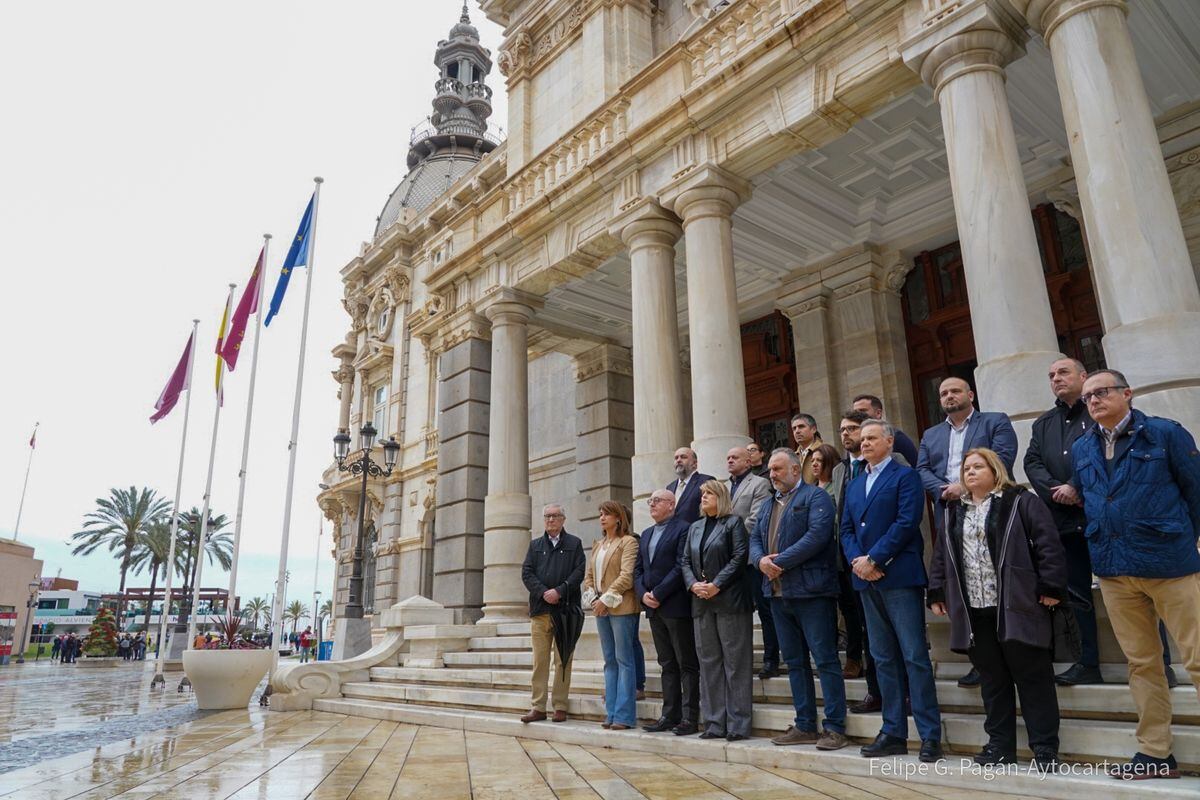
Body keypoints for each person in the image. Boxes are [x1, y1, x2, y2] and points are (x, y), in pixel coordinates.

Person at [1071, 369, 1200, 781]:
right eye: (1087, 396)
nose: (1093, 400)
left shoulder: (1165, 434)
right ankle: (1156, 753)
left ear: (1127, 393)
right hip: (1113, 571)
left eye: (1102, 392)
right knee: (1142, 664)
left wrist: (1191, 541)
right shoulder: (1081, 447)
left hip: (1169, 563)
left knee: (1197, 658)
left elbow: (1195, 491)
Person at [929, 448, 1067, 769]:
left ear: (995, 470)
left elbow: (1048, 543)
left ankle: (1045, 749)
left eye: (978, 466)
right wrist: (937, 591)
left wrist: (1050, 586)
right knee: (992, 682)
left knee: (1033, 679)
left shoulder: (1020, 501)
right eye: (966, 469)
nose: (971, 472)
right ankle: (1000, 747)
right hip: (974, 610)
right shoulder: (953, 511)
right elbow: (941, 557)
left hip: (1018, 606)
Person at [841, 420, 943, 762]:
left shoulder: (905, 477)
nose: (864, 442)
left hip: (897, 574)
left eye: (871, 437)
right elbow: (845, 529)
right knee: (882, 658)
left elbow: (906, 522)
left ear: (889, 441)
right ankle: (893, 731)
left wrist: (875, 557)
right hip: (865, 579)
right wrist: (858, 560)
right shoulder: (855, 484)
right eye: (862, 438)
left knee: (914, 656)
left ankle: (930, 735)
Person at [916, 376, 1017, 688]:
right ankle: (979, 658)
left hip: (992, 511)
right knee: (962, 583)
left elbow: (1002, 457)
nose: (948, 396)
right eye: (943, 392)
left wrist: (966, 485)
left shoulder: (995, 421)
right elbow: (922, 470)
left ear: (970, 394)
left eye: (955, 390)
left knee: (995, 580)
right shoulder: (931, 434)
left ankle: (1012, 652)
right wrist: (946, 491)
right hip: (950, 512)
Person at [751, 448, 848, 750]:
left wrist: (780, 561)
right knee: (794, 661)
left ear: (796, 469)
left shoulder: (816, 498)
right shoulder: (768, 505)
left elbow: (818, 536)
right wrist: (759, 562)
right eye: (770, 469)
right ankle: (805, 724)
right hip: (778, 594)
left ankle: (834, 728)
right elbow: (754, 539)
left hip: (812, 591)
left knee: (826, 660)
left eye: (778, 468)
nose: (772, 474)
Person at [1024, 358, 1104, 686]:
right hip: (1064, 522)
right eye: (1051, 374)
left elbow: (1103, 453)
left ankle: (1159, 662)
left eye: (1063, 372)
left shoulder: (1099, 411)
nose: (1056, 378)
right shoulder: (1044, 423)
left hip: (1101, 516)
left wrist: (1076, 486)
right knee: (1079, 596)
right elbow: (1032, 461)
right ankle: (1088, 663)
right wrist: (1059, 491)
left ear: (1083, 377)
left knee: (1130, 588)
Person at [681, 480, 754, 741]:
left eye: (708, 493)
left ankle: (738, 724)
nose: (703, 497)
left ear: (720, 496)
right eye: (702, 494)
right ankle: (714, 723)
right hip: (701, 602)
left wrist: (716, 585)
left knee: (736, 663)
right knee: (709, 663)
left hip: (730, 601)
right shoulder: (695, 527)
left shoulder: (733, 523)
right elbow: (685, 561)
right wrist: (693, 584)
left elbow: (739, 557)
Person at [635, 490, 699, 735]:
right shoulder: (647, 534)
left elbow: (681, 565)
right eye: (650, 501)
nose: (651, 504)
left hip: (675, 605)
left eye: (657, 501)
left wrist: (658, 593)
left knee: (686, 663)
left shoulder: (683, 528)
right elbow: (638, 569)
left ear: (671, 505)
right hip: (652, 608)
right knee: (667, 663)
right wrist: (643, 594)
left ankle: (689, 717)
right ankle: (668, 715)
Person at [520, 503, 586, 724]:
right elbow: (527, 573)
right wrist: (544, 593)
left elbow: (579, 573)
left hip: (566, 612)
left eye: (555, 516)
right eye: (547, 516)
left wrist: (560, 591)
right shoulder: (535, 545)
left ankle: (560, 705)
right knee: (540, 661)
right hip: (540, 612)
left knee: (563, 660)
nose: (550, 520)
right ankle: (538, 707)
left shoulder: (574, 544)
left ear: (563, 519)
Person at [829, 411, 878, 703]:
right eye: (842, 429)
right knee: (859, 623)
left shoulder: (892, 463)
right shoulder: (839, 471)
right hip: (848, 561)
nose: (846, 434)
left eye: (853, 428)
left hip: (879, 562)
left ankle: (900, 692)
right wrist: (850, 555)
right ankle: (873, 690)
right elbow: (841, 519)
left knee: (884, 633)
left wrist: (871, 558)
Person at [584, 501, 641, 731]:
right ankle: (611, 713)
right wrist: (593, 598)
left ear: (618, 518)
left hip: (621, 607)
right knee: (609, 661)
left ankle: (625, 716)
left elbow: (627, 576)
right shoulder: (598, 545)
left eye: (606, 513)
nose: (602, 517)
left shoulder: (628, 542)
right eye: (600, 513)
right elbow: (589, 576)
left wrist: (605, 599)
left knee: (624, 660)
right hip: (600, 608)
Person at [726, 445, 779, 679]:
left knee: (765, 611)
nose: (729, 460)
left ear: (749, 462)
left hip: (750, 559)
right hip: (729, 562)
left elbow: (756, 520)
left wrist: (727, 539)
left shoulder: (759, 484)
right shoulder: (725, 488)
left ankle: (771, 659)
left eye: (734, 457)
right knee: (737, 613)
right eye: (727, 457)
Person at [853, 394, 919, 467]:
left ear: (878, 413)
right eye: (855, 412)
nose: (857, 415)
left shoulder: (896, 437)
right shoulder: (853, 440)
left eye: (862, 411)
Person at [667, 447, 714, 526]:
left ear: (695, 464)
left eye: (683, 457)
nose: (678, 460)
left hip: (695, 533)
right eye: (676, 458)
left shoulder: (706, 481)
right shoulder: (669, 487)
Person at [791, 413, 824, 485]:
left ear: (813, 429)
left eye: (801, 427)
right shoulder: (792, 456)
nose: (797, 431)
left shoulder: (824, 451)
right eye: (794, 428)